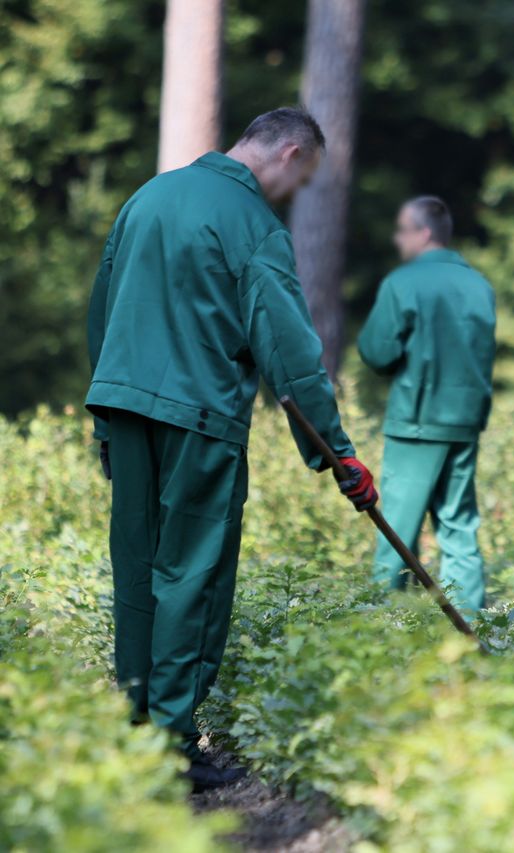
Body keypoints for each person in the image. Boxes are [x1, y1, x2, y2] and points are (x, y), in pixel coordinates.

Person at [86, 107, 378, 791]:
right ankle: (169, 745)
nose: (295, 192)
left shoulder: (147, 197)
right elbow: (290, 351)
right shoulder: (252, 224)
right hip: (198, 415)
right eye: (302, 178)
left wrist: (105, 414)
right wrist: (339, 454)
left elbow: (102, 307)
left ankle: (134, 727)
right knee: (193, 573)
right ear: (291, 151)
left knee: (136, 566)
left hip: (124, 403)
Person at [357, 196, 496, 611]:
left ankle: (380, 632)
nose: (397, 239)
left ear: (423, 233)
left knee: (397, 531)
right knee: (459, 528)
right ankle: (473, 629)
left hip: (416, 423)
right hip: (465, 422)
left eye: (402, 230)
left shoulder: (403, 283)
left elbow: (377, 351)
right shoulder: (479, 285)